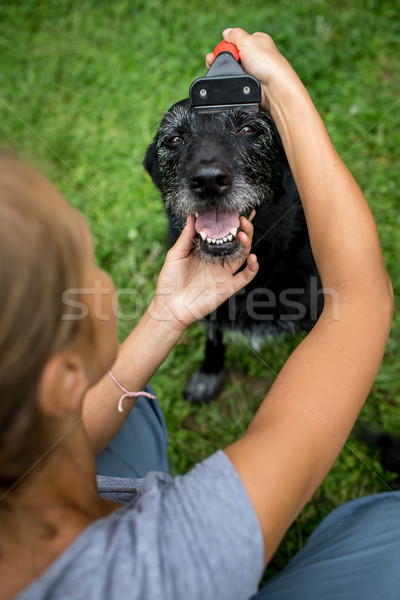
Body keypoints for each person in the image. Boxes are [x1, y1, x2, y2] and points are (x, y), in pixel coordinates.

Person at [0, 26, 395, 600]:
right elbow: (359, 301)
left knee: (132, 410)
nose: (206, 170)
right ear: (64, 380)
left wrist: (165, 315)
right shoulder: (177, 557)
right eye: (89, 270)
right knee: (392, 528)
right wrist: (280, 88)